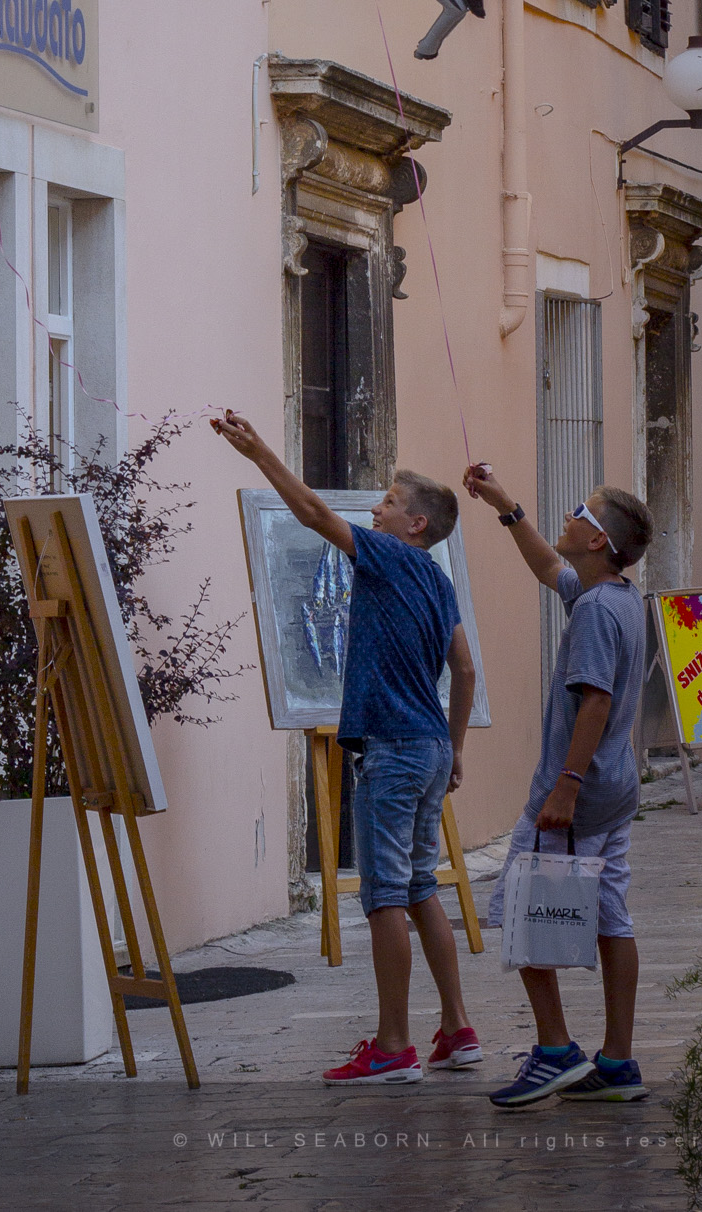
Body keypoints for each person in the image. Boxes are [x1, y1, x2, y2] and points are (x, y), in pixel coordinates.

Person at [213, 411, 479, 1085]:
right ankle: (457, 1029)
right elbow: (466, 669)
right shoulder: (439, 580)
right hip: (429, 747)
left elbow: (310, 513)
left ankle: (393, 1046)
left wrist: (259, 452)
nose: (375, 510)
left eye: (388, 502)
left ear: (415, 523)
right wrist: (453, 750)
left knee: (385, 894)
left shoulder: (389, 557)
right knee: (420, 886)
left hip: (393, 748)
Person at [462, 462, 653, 1109]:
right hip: (615, 789)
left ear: (598, 540)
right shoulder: (615, 596)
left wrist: (565, 787)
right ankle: (618, 1062)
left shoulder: (596, 610)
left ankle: (554, 1051)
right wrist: (506, 504)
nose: (569, 516)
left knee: (522, 910)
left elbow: (595, 701)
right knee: (612, 917)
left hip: (577, 793)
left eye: (580, 511)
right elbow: (549, 567)